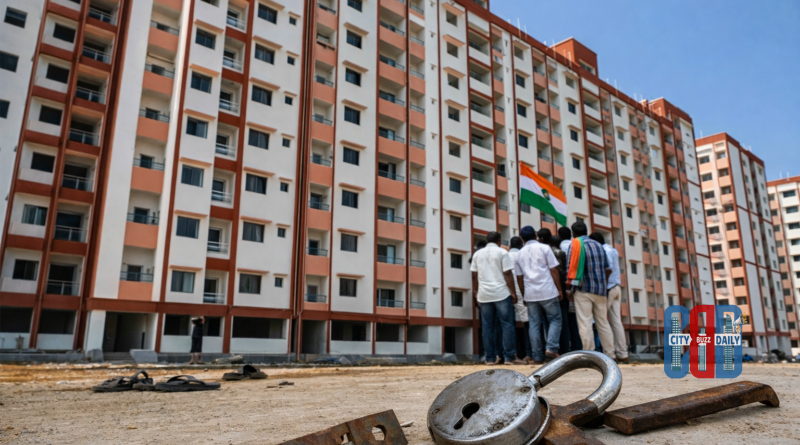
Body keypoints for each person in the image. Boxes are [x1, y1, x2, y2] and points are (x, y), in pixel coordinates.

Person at [471, 232, 524, 365]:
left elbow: (474, 275)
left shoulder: (477, 254)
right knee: (507, 325)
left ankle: (490, 358)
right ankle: (510, 357)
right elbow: (507, 273)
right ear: (499, 241)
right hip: (501, 293)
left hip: (484, 294)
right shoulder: (502, 252)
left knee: (487, 326)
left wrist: (476, 292)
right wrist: (513, 292)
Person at [564, 222, 615, 359]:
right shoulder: (598, 245)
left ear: (573, 233)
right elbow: (607, 268)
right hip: (600, 290)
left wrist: (568, 290)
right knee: (603, 323)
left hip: (583, 289)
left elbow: (571, 269)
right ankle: (610, 354)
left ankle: (590, 355)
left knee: (585, 323)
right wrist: (603, 284)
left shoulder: (575, 245)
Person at [514, 226, 563, 364]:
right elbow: (553, 270)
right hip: (547, 290)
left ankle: (537, 356)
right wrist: (559, 289)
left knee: (534, 324)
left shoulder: (519, 254)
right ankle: (551, 348)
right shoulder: (545, 248)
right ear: (536, 235)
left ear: (522, 238)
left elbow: (519, 277)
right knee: (555, 319)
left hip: (530, 293)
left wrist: (523, 295)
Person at [590, 232, 629, 363]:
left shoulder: (604, 251)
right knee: (616, 321)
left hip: (608, 288)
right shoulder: (612, 249)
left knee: (601, 320)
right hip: (617, 287)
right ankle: (622, 354)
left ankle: (610, 353)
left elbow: (607, 269)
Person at [543, 231, 581, 353]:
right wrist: (566, 290)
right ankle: (565, 349)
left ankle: (552, 347)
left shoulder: (545, 253)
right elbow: (565, 272)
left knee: (549, 322)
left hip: (547, 290)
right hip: (562, 291)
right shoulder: (561, 253)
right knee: (564, 322)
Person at [508, 236, 533, 363]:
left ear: (509, 246)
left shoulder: (505, 255)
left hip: (507, 293)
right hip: (522, 292)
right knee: (528, 325)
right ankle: (529, 354)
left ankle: (507, 355)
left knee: (507, 325)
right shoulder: (523, 255)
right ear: (521, 245)